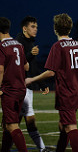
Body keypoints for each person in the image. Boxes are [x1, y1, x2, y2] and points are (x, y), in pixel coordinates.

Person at [25, 13, 78, 152]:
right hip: (77, 91)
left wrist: (31, 79)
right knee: (63, 126)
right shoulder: (76, 45)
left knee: (70, 127)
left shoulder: (58, 46)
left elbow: (51, 71)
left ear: (55, 29)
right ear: (69, 28)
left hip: (67, 92)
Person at [16, 16, 49, 152]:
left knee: (14, 123)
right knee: (27, 121)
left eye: (36, 26)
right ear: (25, 28)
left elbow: (33, 66)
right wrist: (29, 54)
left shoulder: (29, 43)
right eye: (32, 27)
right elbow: (18, 65)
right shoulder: (18, 43)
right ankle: (42, 149)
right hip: (19, 87)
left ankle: (42, 148)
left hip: (27, 87)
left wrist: (41, 83)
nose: (36, 29)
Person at [0, 17, 29, 152]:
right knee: (7, 124)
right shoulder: (18, 45)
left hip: (9, 90)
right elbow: (26, 66)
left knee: (12, 125)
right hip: (20, 89)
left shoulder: (1, 46)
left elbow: (0, 69)